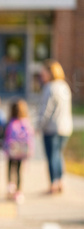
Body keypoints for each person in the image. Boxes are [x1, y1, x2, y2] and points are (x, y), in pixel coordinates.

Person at [36, 59, 73, 194]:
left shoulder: (49, 88)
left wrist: (38, 126)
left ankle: (53, 183)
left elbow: (46, 111)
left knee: (52, 156)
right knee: (58, 155)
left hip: (52, 128)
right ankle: (60, 181)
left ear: (50, 73)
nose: (42, 76)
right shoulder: (64, 86)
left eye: (43, 73)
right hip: (65, 128)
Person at [3, 98, 34, 204]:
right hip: (22, 152)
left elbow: (5, 137)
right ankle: (19, 191)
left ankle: (10, 187)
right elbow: (30, 137)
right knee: (19, 171)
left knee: (10, 169)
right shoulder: (26, 123)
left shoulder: (10, 123)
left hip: (12, 151)